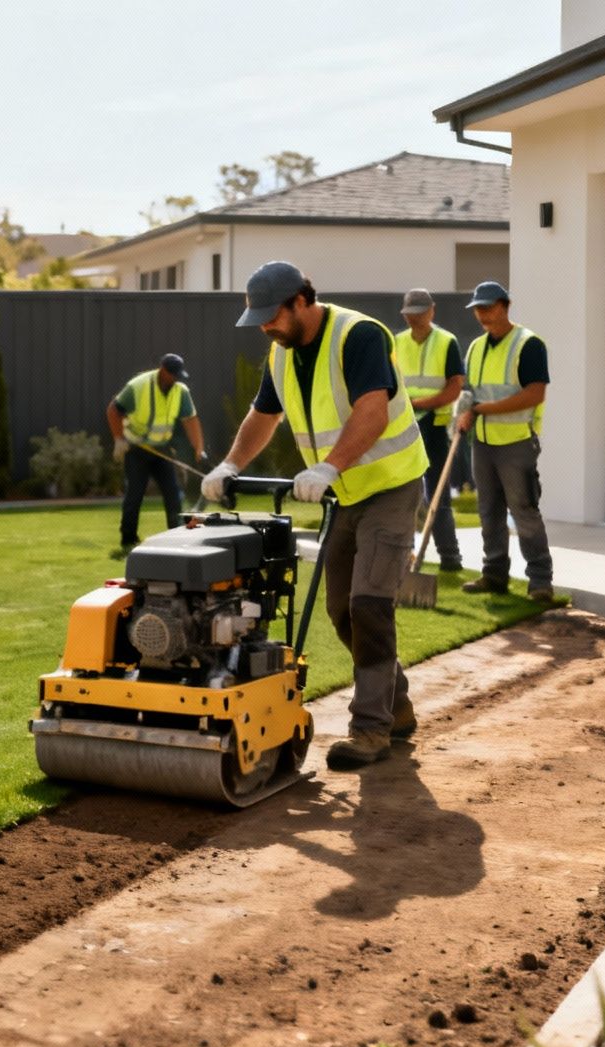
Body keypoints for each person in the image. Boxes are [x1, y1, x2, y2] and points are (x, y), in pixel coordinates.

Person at [202, 262, 429, 769]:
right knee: (341, 612)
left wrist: (328, 466)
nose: (265, 326)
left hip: (390, 485)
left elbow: (372, 408)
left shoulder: (359, 335)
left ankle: (371, 729)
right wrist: (230, 464)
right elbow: (265, 415)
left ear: (301, 301)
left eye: (272, 316)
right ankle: (397, 703)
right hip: (343, 493)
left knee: (369, 604)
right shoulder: (281, 355)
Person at [454, 281, 554, 603]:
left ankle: (540, 581)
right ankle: (494, 575)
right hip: (481, 444)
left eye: (488, 307)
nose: (482, 314)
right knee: (489, 512)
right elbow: (470, 391)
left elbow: (534, 394)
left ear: (505, 306)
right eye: (478, 309)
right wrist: (464, 412)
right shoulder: (476, 348)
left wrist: (483, 409)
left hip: (515, 444)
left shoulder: (528, 344)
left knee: (524, 511)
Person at [392, 288, 466, 572]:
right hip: (403, 426)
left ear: (432, 311)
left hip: (433, 426)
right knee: (402, 494)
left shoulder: (446, 342)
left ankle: (450, 558)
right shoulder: (396, 342)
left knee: (438, 495)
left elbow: (455, 387)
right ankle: (403, 555)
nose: (414, 319)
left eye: (420, 314)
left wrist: (420, 403)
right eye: (410, 315)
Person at [106, 353, 207, 550]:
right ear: (162, 370)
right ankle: (128, 539)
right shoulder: (138, 386)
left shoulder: (181, 391)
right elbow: (113, 410)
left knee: (173, 493)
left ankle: (176, 535)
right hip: (137, 448)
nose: (175, 379)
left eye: (178, 375)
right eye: (172, 374)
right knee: (135, 494)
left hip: (162, 449)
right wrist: (119, 439)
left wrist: (199, 449)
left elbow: (190, 420)